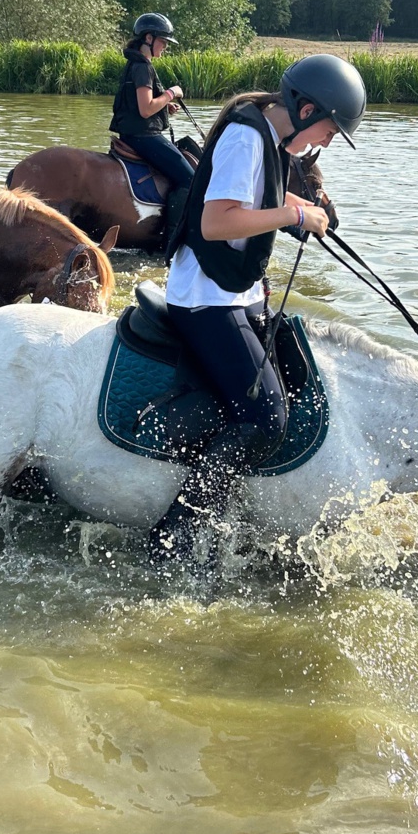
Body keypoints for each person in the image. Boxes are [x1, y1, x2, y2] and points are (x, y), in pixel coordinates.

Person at [152, 52, 368, 560]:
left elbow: (266, 202)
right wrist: (291, 212)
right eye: (332, 130)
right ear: (308, 109)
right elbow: (215, 224)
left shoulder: (272, 139)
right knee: (267, 418)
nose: (329, 142)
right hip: (204, 299)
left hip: (236, 292)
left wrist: (306, 210)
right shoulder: (246, 138)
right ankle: (174, 536)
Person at [110, 14, 196, 245]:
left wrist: (164, 108)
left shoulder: (136, 63)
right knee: (190, 179)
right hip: (143, 136)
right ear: (148, 38)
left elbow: (139, 106)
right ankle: (171, 242)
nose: (166, 47)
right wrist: (171, 93)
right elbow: (146, 109)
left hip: (134, 132)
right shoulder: (142, 68)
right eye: (163, 41)